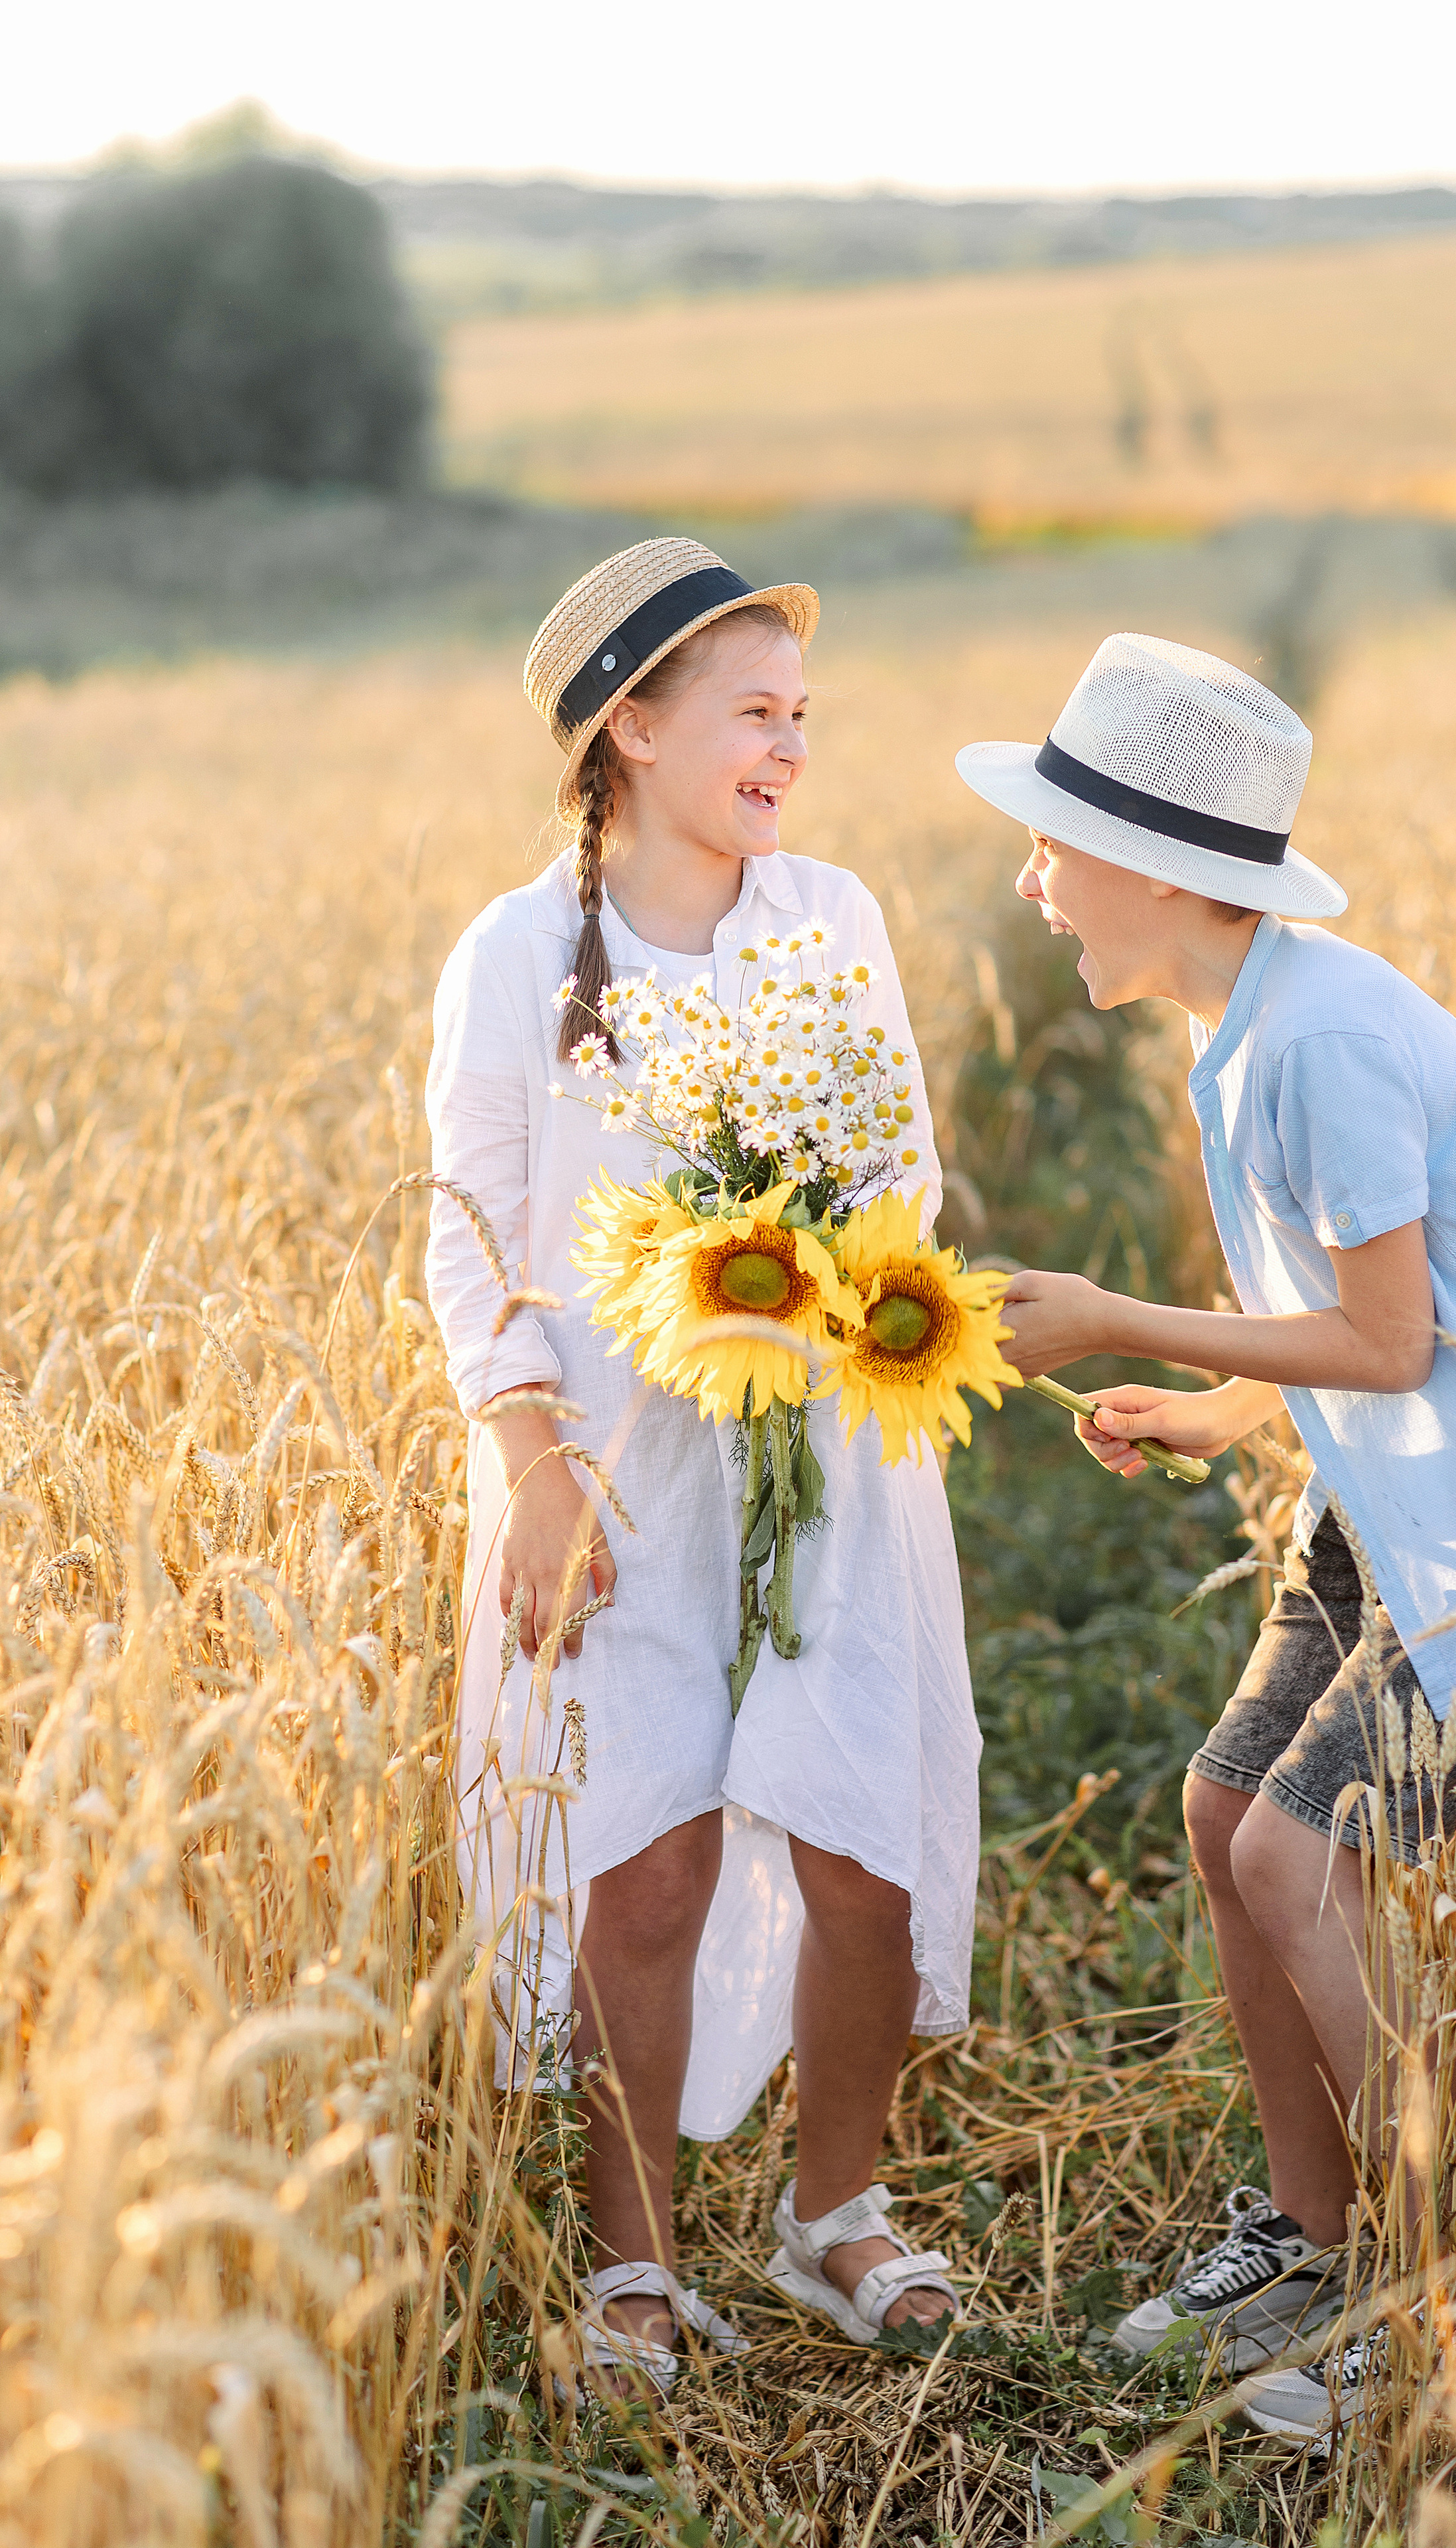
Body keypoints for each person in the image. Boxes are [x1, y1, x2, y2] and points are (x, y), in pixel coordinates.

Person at [955, 632, 1456, 2435]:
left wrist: (1130, 1321)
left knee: (1299, 1862)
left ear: (1164, 869)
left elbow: (1393, 1337)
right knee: (1225, 1814)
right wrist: (1223, 1406)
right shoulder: (1247, 1025)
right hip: (1409, 1477)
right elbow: (1354, 1336)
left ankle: (1432, 2312)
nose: (1033, 881)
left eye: (1056, 844)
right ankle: (1308, 2234)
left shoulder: (1329, 1043)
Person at [426, 539, 974, 2397]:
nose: (790, 745)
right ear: (631, 729)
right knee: (636, 1867)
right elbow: (473, 1235)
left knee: (863, 1860)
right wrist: (534, 1467)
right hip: (614, 1465)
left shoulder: (830, 912)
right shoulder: (515, 955)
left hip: (822, 1434)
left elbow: (902, 1169)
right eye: (755, 711)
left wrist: (816, 1269)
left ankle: (838, 2221)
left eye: (802, 716)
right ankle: (633, 2265)